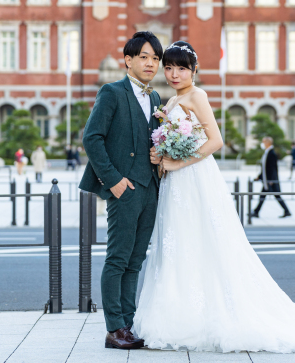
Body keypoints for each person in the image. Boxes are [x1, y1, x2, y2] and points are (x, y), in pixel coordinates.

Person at [133, 41, 295, 352]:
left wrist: (179, 161)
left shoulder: (197, 95)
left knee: (202, 242)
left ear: (195, 70)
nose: (173, 73)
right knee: (178, 243)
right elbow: (170, 139)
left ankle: (199, 318)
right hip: (174, 183)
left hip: (193, 179)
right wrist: (161, 155)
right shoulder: (170, 101)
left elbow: (216, 140)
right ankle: (178, 316)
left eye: (181, 67)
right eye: (169, 67)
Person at [79, 32, 164, 350]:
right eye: (144, 56)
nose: (150, 63)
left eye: (155, 58)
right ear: (128, 60)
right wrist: (113, 181)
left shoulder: (155, 98)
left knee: (136, 260)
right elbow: (92, 138)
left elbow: (150, 141)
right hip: (124, 189)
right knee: (117, 259)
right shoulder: (112, 92)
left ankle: (127, 324)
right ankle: (114, 328)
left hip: (150, 188)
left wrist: (158, 155)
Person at [252, 136, 291, 219]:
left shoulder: (271, 153)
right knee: (265, 196)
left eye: (263, 142)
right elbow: (265, 168)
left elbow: (273, 168)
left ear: (267, 143)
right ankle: (256, 211)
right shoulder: (267, 152)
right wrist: (259, 177)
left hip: (270, 180)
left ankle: (287, 211)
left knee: (275, 196)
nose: (262, 144)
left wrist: (271, 180)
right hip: (267, 180)